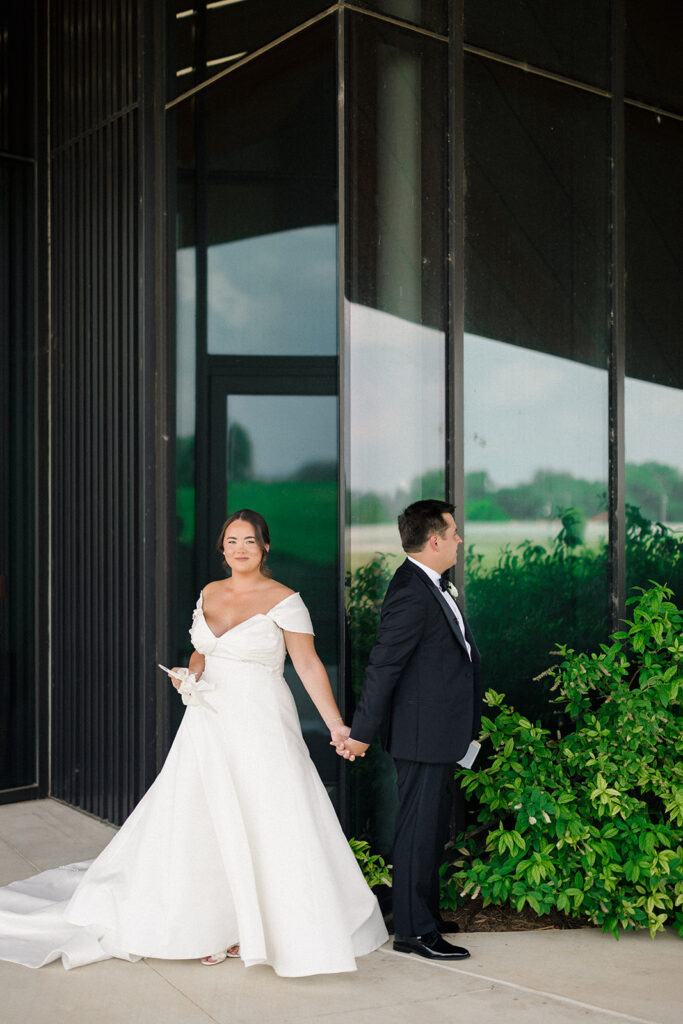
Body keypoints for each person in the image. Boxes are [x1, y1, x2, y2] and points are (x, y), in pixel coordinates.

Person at [0, 510, 388, 976]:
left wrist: (335, 725)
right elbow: (202, 651)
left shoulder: (286, 601)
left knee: (268, 815)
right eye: (231, 541)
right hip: (207, 721)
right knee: (201, 817)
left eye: (249, 540)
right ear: (222, 549)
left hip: (262, 720)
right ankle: (211, 924)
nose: (239, 548)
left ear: (265, 547)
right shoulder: (208, 592)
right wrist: (190, 676)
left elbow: (306, 665)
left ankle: (261, 925)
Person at [338, 499, 483, 961]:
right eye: (454, 532)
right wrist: (361, 733)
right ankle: (413, 933)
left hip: (439, 733)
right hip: (422, 735)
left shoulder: (432, 584)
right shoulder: (410, 591)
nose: (460, 539)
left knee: (430, 827)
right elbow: (384, 665)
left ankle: (424, 916)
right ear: (435, 539)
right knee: (418, 830)